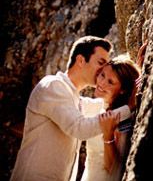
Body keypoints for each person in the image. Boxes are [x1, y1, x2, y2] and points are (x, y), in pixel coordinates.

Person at [10, 36, 133, 181]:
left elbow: (107, 103)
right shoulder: (53, 86)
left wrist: (135, 80)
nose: (103, 69)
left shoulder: (75, 100)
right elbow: (80, 128)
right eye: (100, 62)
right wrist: (129, 108)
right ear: (81, 60)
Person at [81, 55, 141, 181]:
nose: (101, 83)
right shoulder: (100, 107)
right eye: (102, 75)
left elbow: (114, 169)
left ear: (122, 90)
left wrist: (108, 136)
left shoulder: (123, 122)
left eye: (110, 82)